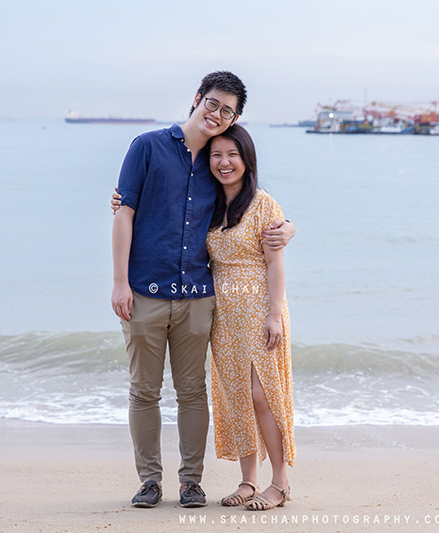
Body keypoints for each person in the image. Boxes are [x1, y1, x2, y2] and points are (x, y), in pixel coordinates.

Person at [111, 71, 295, 509]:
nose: (217, 115)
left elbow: (259, 210)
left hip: (201, 298)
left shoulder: (224, 168)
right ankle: (152, 482)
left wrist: (288, 228)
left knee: (201, 393)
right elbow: (125, 211)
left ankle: (195, 483)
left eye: (227, 111)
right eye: (212, 104)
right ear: (197, 99)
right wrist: (119, 282)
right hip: (150, 293)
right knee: (149, 391)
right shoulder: (149, 147)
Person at [206, 125, 295, 511]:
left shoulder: (264, 204)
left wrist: (274, 315)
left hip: (260, 309)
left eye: (232, 155)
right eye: (216, 155)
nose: (224, 163)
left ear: (247, 159)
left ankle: (280, 483)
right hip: (222, 315)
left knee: (263, 394)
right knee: (237, 395)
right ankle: (247, 481)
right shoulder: (206, 204)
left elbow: (275, 264)